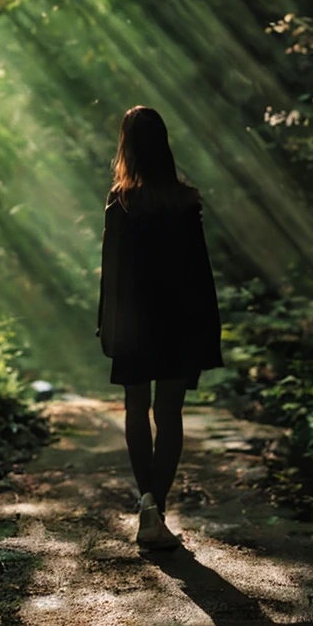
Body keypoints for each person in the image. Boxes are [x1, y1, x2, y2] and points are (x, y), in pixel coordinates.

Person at [98, 105, 222, 549]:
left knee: (136, 408)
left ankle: (147, 502)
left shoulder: (121, 201)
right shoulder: (186, 201)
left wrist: (106, 327)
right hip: (180, 321)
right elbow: (199, 274)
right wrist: (210, 330)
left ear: (127, 146)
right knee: (169, 414)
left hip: (133, 323)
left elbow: (109, 274)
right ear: (164, 144)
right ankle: (157, 510)